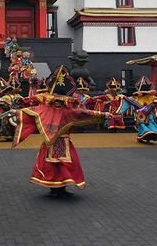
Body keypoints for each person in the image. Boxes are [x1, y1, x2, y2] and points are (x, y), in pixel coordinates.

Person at [13, 66, 111, 197]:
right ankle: (54, 188)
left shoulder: (67, 111)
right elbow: (31, 111)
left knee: (64, 165)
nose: (58, 103)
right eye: (56, 101)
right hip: (52, 143)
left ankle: (60, 188)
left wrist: (103, 114)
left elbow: (83, 113)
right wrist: (16, 111)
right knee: (52, 165)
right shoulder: (44, 109)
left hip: (62, 141)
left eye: (61, 101)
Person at [128, 76, 157, 143]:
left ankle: (150, 135)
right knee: (142, 125)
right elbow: (133, 104)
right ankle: (143, 135)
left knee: (151, 123)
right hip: (140, 115)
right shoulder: (136, 98)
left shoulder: (152, 97)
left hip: (150, 114)